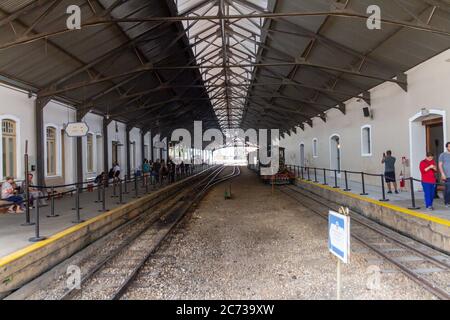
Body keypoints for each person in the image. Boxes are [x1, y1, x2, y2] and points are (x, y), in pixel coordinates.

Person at [438, 142, 450, 207]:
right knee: (448, 190)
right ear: (447, 147)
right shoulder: (442, 155)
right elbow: (440, 165)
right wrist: (442, 174)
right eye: (449, 146)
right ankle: (447, 202)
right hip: (447, 175)